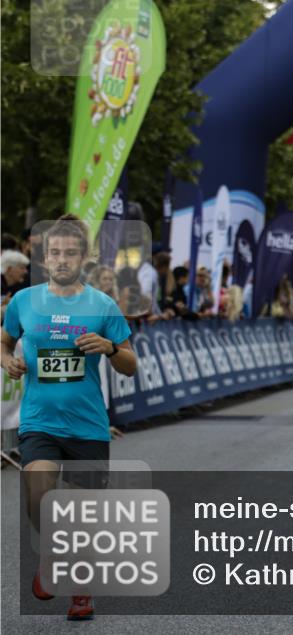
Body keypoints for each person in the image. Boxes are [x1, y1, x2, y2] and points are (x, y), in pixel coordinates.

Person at [1, 214, 137, 621]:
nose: (62, 259)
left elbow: (131, 365)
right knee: (37, 494)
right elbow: (4, 341)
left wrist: (110, 348)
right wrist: (7, 360)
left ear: (84, 257)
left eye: (70, 253)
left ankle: (81, 590)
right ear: (44, 257)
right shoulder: (24, 302)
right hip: (39, 421)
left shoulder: (103, 305)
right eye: (55, 252)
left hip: (87, 426)